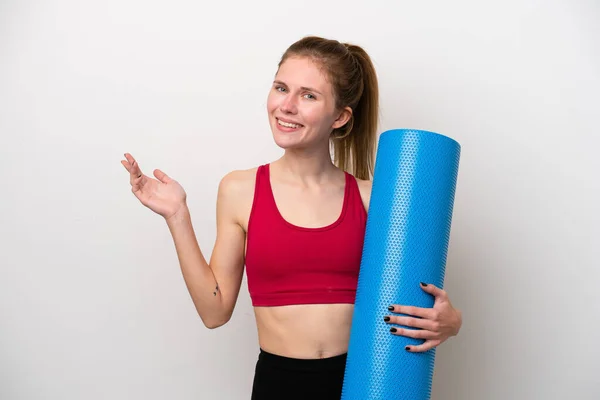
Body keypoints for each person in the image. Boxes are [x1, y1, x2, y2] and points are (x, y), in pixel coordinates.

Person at [121, 36, 462, 400]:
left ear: (341, 116)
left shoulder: (370, 197)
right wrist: (178, 216)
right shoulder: (240, 189)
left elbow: (413, 299)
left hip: (362, 383)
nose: (286, 106)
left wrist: (452, 322)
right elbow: (214, 311)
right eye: (281, 88)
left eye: (308, 95)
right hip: (279, 385)